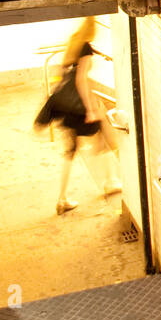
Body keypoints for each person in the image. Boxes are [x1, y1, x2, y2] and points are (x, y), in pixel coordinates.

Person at [34, 18, 123, 215]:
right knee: (103, 134)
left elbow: (62, 74)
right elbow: (81, 80)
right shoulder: (86, 48)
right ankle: (110, 181)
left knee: (72, 150)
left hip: (65, 106)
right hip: (79, 108)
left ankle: (63, 198)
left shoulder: (73, 43)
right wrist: (91, 108)